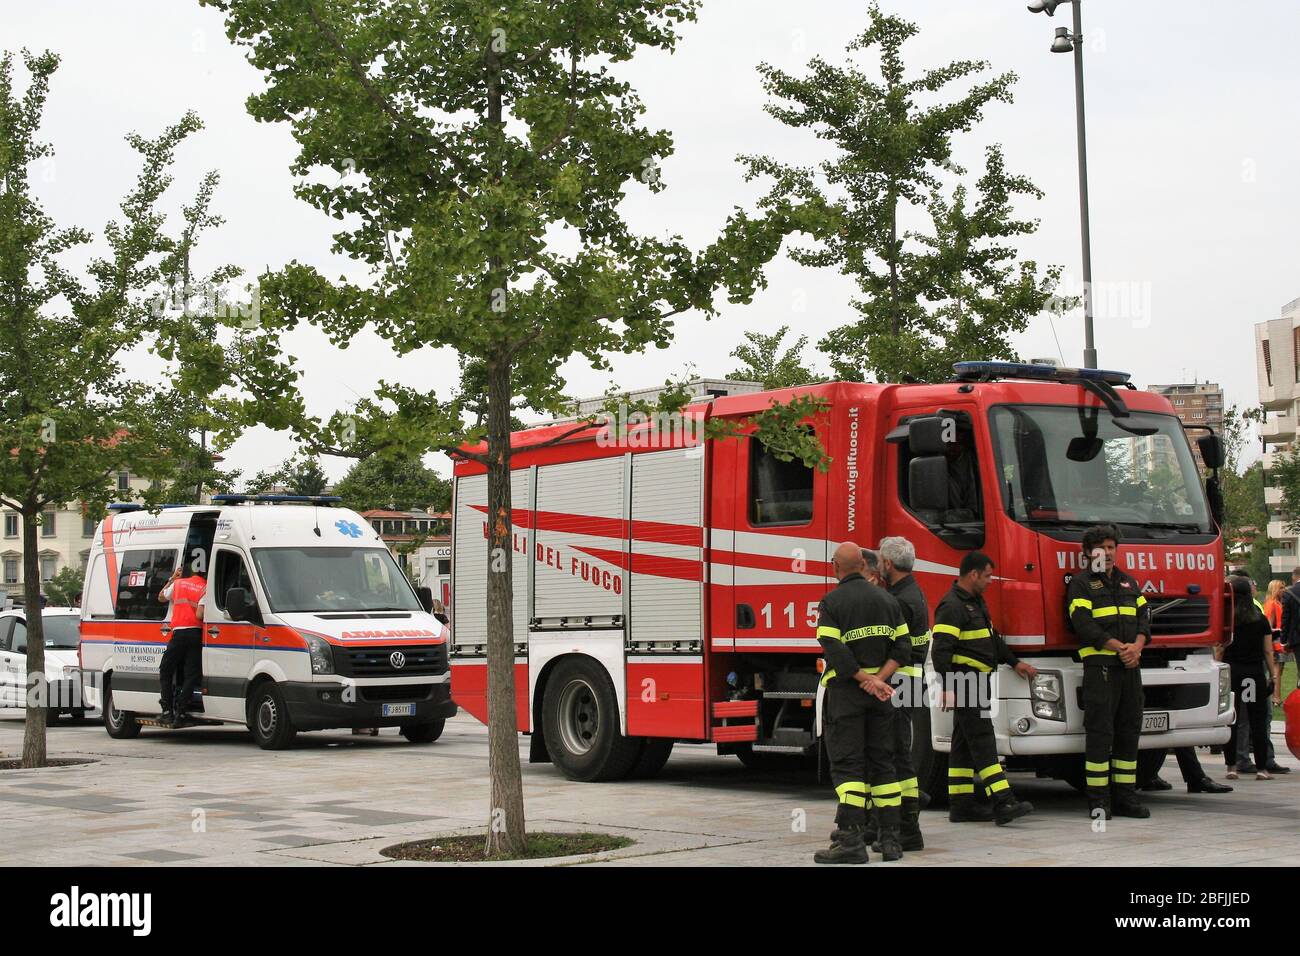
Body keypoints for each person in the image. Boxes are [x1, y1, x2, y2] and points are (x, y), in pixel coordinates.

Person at [812, 542, 911, 865]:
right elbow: (903, 648)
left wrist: (863, 679)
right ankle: (891, 841)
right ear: (862, 566)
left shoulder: (832, 602)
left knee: (849, 766)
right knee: (883, 763)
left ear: (836, 567)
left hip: (847, 696)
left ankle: (851, 841)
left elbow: (834, 649)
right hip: (881, 697)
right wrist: (879, 680)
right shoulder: (887, 600)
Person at [933, 551, 1036, 825]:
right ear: (973, 574)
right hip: (964, 682)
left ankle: (961, 804)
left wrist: (1015, 663)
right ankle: (1003, 801)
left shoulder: (975, 602)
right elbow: (940, 650)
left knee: (963, 743)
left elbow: (992, 640)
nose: (991, 581)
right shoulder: (951, 606)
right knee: (982, 739)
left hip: (976, 681)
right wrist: (946, 684)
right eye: (988, 575)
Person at [1065, 523, 1150, 819]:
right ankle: (1099, 801)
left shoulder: (1129, 583)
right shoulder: (1081, 584)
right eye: (1102, 548)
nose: (1108, 553)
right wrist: (1121, 648)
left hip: (1130, 669)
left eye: (1112, 547)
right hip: (1101, 669)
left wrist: (1137, 647)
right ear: (1089, 553)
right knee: (1100, 735)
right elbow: (1084, 626)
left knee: (1129, 733)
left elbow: (1144, 620)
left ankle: (1126, 798)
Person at [872, 535, 930, 853]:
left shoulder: (898, 600)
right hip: (910, 681)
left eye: (881, 559)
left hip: (898, 683)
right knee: (899, 753)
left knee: (896, 755)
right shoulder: (911, 592)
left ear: (889, 564)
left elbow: (893, 647)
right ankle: (902, 824)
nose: (879, 564)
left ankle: (907, 828)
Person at [1224, 575, 1280, 780]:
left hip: (1232, 671)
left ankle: (1231, 766)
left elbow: (1220, 649)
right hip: (1254, 673)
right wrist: (1272, 675)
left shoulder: (1227, 619)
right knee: (1257, 720)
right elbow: (1267, 651)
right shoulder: (1260, 618)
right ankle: (1262, 768)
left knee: (1232, 719)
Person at [157, 561, 207, 726]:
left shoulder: (178, 583)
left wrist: (172, 578)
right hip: (196, 634)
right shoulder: (205, 587)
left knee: (166, 670)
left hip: (178, 634)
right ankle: (181, 712)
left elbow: (161, 597)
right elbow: (200, 615)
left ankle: (166, 711)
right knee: (191, 674)